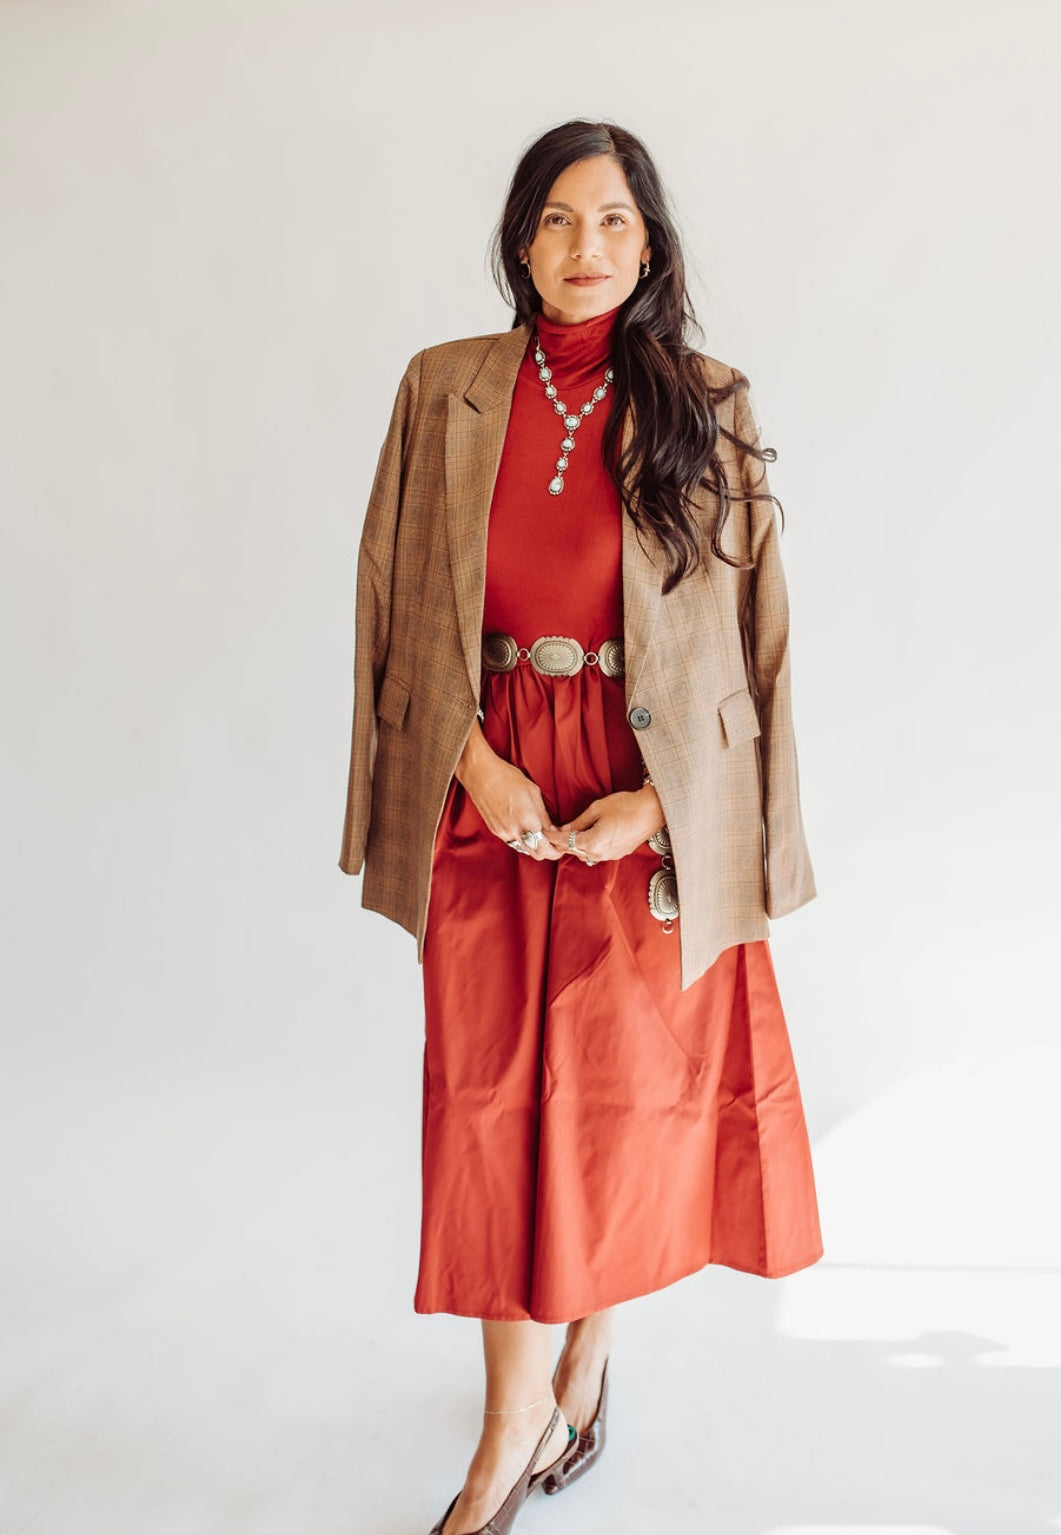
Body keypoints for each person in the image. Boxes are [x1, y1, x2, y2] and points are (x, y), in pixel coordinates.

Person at [338, 118, 824, 1535]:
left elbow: (753, 641)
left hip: (640, 789)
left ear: (650, 242)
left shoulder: (707, 401)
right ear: (519, 241)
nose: (584, 246)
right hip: (487, 771)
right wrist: (469, 766)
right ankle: (509, 1424)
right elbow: (392, 606)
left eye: (613, 220)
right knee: (488, 1109)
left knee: (615, 1101)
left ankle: (585, 1360)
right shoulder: (443, 388)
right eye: (556, 219)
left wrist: (668, 806)